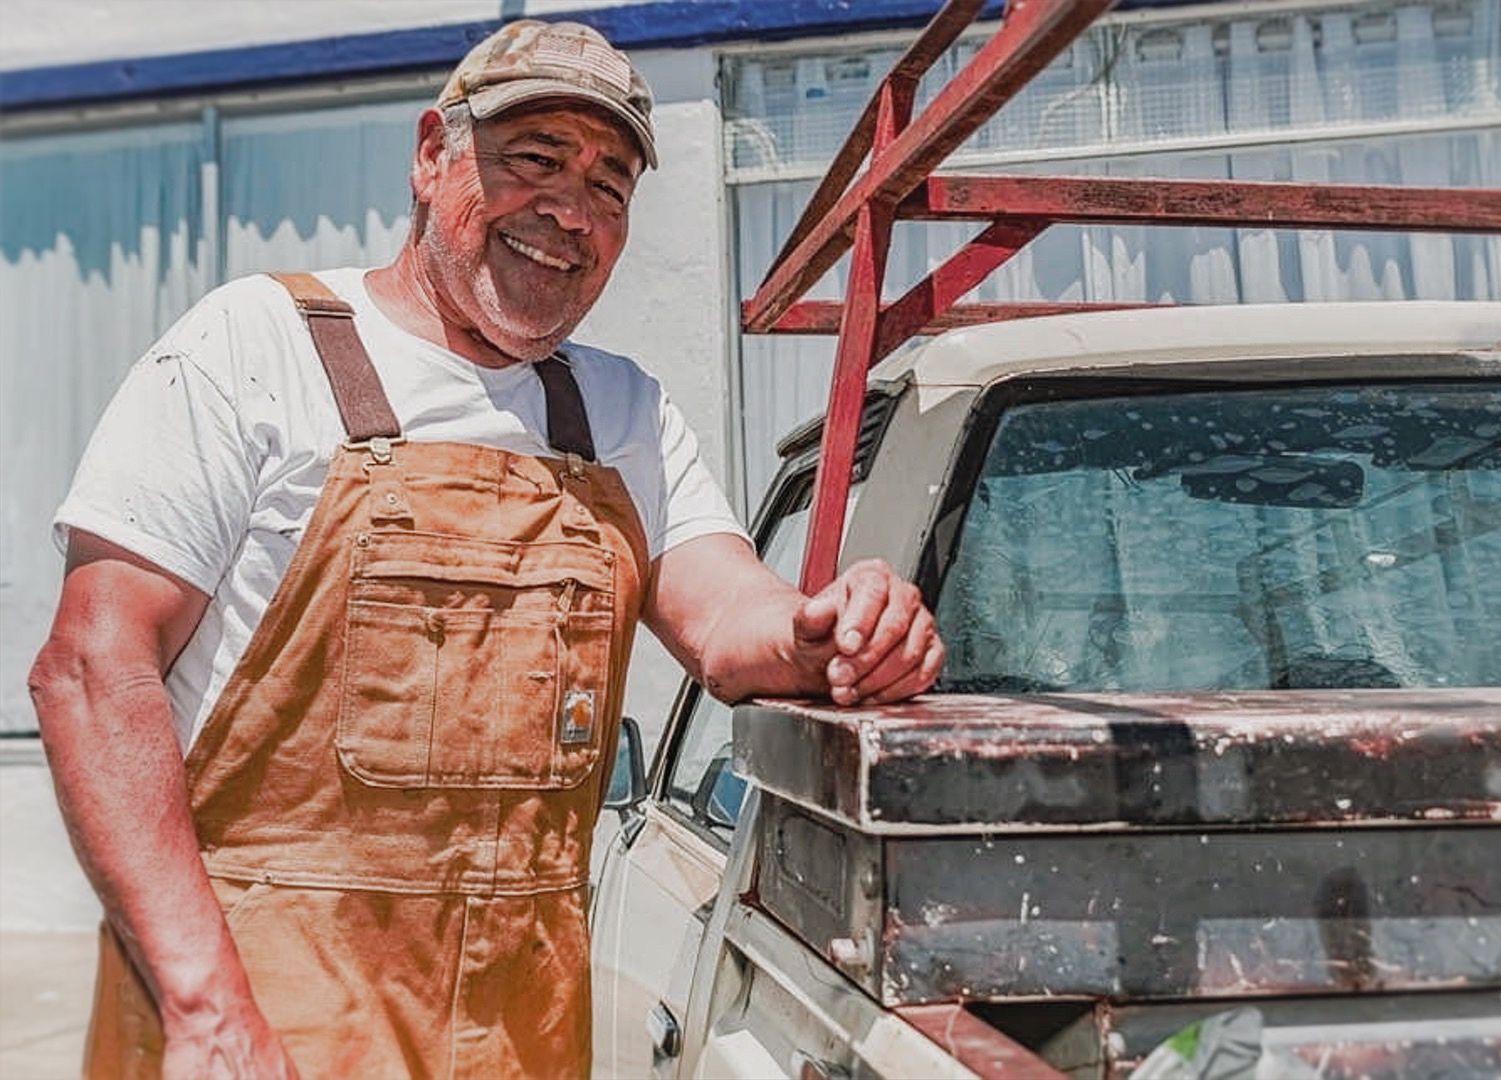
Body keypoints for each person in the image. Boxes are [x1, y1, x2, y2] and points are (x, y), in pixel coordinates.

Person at [27, 20, 943, 1079]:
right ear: (433, 154)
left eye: (610, 185)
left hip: (516, 1035)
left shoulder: (619, 410)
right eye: (535, 159)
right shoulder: (254, 346)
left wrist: (832, 627)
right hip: (261, 1024)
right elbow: (94, 669)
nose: (570, 211)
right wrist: (204, 1007)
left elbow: (732, 620)